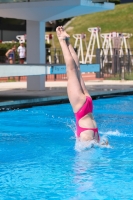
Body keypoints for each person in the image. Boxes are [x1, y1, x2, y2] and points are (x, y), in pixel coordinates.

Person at [56, 26, 100, 143]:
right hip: (83, 112)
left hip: (91, 119)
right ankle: (62, 40)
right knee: (72, 71)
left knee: (76, 69)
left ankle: (66, 40)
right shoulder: (85, 136)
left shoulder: (89, 136)